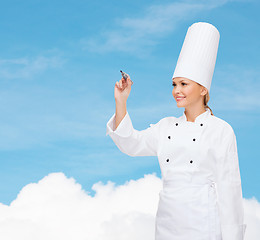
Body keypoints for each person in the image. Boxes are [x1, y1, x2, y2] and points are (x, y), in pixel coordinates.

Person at [106, 22, 247, 240]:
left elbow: (230, 189)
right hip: (167, 224)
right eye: (174, 85)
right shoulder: (166, 126)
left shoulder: (220, 130)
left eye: (184, 84)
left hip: (203, 224)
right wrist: (121, 101)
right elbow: (130, 144)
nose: (177, 91)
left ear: (203, 89)